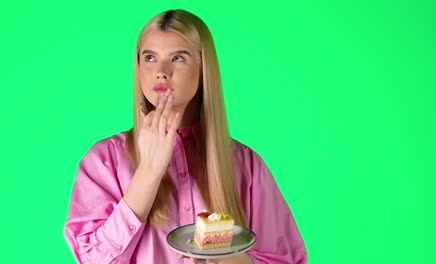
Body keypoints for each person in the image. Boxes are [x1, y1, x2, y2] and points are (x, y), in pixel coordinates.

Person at [64, 9, 307, 264]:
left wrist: (229, 260)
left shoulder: (246, 165)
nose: (161, 71)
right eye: (149, 57)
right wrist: (149, 171)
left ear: (204, 70)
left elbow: (286, 259)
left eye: (178, 58)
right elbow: (92, 259)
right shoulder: (104, 161)